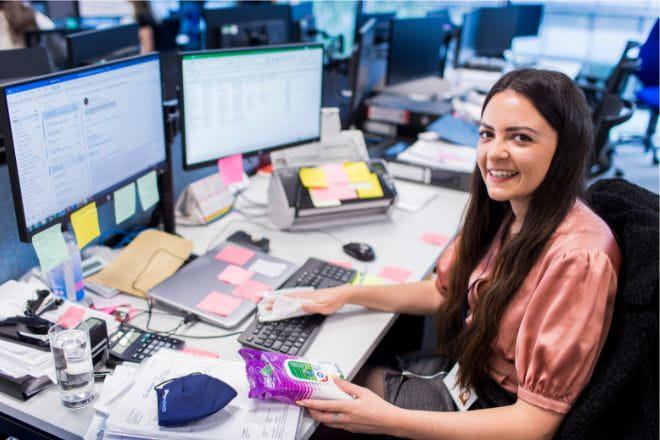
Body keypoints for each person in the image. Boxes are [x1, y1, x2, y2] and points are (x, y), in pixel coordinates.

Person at [293, 69, 621, 438]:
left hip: (496, 409)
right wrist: (348, 294)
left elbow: (535, 425)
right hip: (467, 373)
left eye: (521, 138)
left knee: (327, 404)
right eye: (487, 134)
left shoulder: (578, 258)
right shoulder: (510, 210)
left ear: (565, 148)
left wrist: (385, 419)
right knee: (335, 380)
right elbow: (443, 291)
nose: (495, 153)